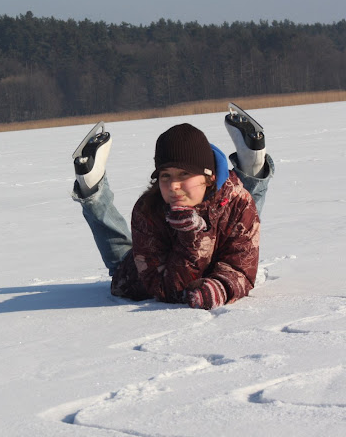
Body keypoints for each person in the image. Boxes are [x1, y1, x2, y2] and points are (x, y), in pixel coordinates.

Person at [71, 105, 275, 310]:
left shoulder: (239, 202)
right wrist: (191, 238)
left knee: (240, 214)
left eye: (184, 174)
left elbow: (241, 265)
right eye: (165, 175)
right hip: (142, 276)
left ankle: (253, 163)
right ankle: (92, 185)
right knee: (122, 267)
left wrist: (221, 286)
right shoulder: (148, 209)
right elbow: (163, 288)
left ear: (209, 176)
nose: (173, 186)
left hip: (220, 235)